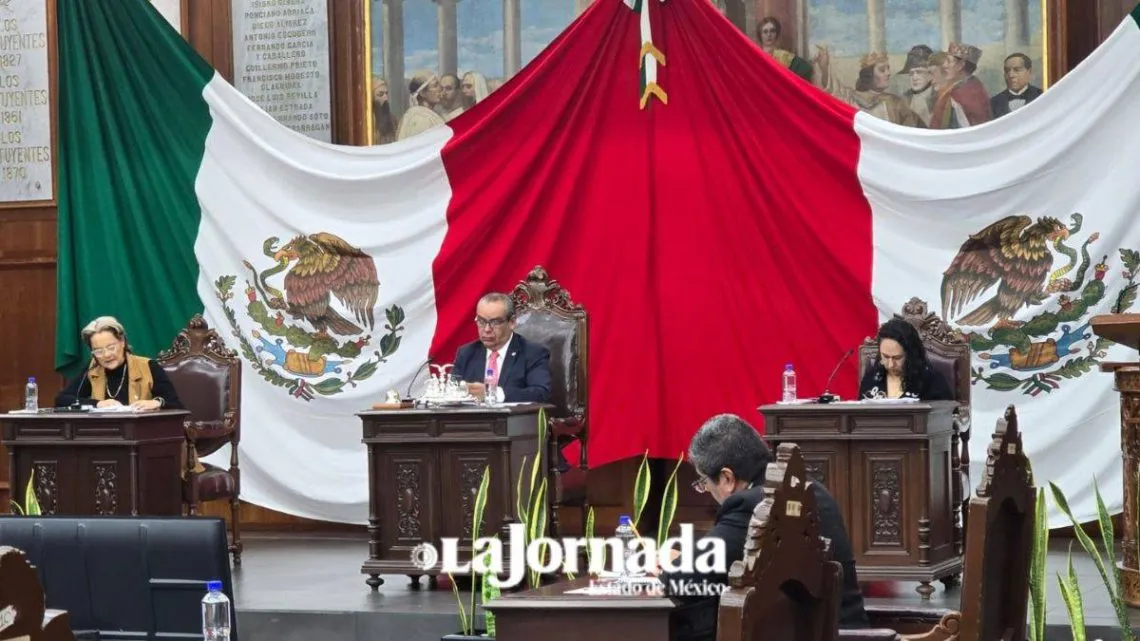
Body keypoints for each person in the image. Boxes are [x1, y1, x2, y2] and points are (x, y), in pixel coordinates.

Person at [658, 414, 870, 636]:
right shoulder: (813, 491)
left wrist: (663, 566)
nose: (707, 492)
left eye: (704, 483)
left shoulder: (754, 506)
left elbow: (679, 579)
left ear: (727, 478)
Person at [55, 316, 183, 410]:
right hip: (105, 436)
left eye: (111, 348)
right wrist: (97, 404)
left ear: (122, 342)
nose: (106, 355)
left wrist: (156, 402)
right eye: (98, 351)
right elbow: (62, 399)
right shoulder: (93, 368)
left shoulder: (148, 366)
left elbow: (175, 403)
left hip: (143, 435)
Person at [452, 293, 551, 403]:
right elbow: (451, 391)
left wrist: (493, 393)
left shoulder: (533, 353)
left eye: (495, 322)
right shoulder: (466, 353)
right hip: (473, 419)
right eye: (481, 321)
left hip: (512, 419)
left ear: (512, 322)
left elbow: (541, 393)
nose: (487, 329)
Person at [859, 317, 954, 401]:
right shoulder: (871, 379)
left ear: (911, 355)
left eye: (897, 358)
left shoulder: (932, 381)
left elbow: (946, 417)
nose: (891, 364)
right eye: (885, 356)